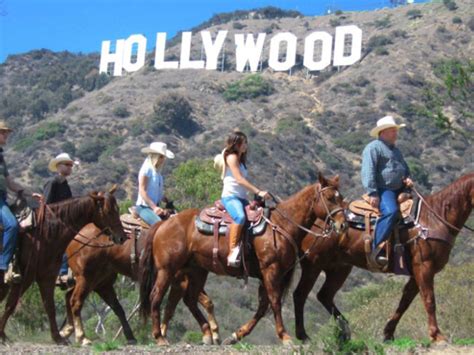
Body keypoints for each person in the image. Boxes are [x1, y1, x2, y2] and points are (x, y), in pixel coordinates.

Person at [361, 115, 413, 265]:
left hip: (401, 189)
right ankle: (376, 247)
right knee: (390, 211)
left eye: (395, 130)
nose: (396, 133)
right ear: (382, 132)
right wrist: (373, 192)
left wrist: (408, 181)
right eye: (392, 131)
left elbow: (405, 169)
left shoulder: (396, 151)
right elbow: (368, 171)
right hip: (385, 190)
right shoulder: (373, 148)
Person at [217, 130, 269, 267]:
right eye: (244, 142)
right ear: (237, 144)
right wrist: (258, 191)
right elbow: (239, 179)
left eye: (246, 142)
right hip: (230, 197)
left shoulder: (241, 160)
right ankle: (233, 251)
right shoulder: (232, 157)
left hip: (241, 198)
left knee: (258, 216)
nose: (246, 145)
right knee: (239, 217)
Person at [43, 152, 78, 287]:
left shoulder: (65, 184)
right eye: (67, 165)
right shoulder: (52, 183)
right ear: (58, 167)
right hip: (52, 223)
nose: (70, 167)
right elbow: (46, 206)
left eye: (71, 165)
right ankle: (62, 272)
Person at [0, 121, 28, 284]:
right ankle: (3, 265)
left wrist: (29, 193)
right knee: (11, 225)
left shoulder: (1, 156)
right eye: (3, 133)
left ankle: (15, 263)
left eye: (6, 133)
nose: (6, 136)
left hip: (3, 197)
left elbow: (10, 182)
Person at [135, 142, 174, 226]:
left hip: (154, 206)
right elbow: (142, 191)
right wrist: (154, 207)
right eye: (161, 157)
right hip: (144, 207)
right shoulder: (146, 169)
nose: (163, 159)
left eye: (163, 157)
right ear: (155, 156)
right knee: (160, 225)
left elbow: (153, 191)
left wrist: (164, 199)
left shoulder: (157, 172)